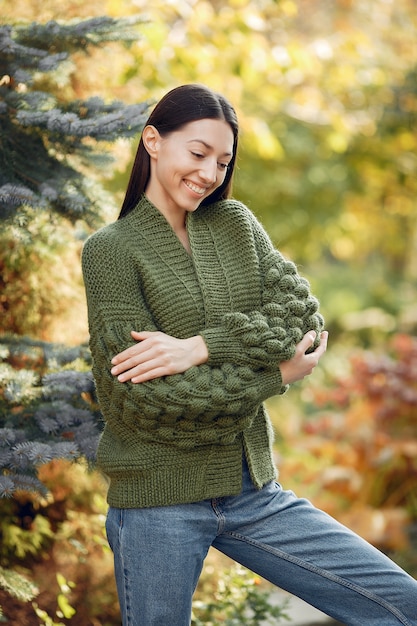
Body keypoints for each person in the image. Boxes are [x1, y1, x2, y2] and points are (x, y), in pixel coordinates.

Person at [82, 83, 417, 626]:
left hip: (255, 494)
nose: (210, 173)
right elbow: (143, 403)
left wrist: (202, 347)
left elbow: (303, 321)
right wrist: (273, 376)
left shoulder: (236, 225)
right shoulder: (111, 252)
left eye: (222, 160)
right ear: (152, 141)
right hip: (157, 504)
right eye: (197, 153)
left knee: (401, 604)